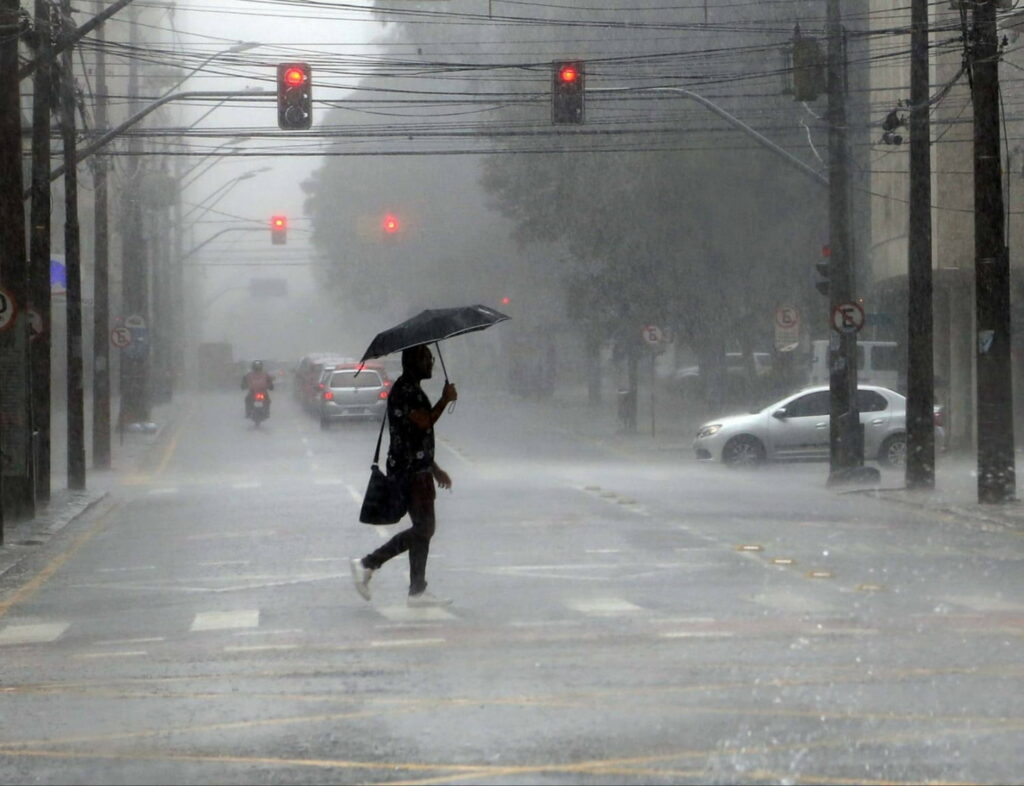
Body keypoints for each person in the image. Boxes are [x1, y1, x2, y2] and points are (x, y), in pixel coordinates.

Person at [350, 344, 458, 607]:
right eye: (426, 358)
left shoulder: (411, 388)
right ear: (412, 362)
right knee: (425, 528)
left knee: (424, 529)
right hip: (409, 472)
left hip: (417, 469)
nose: (431, 363)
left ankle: (417, 591)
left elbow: (416, 436)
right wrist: (445, 399)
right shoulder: (405, 391)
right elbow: (424, 422)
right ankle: (368, 563)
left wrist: (434, 468)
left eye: (431, 358)